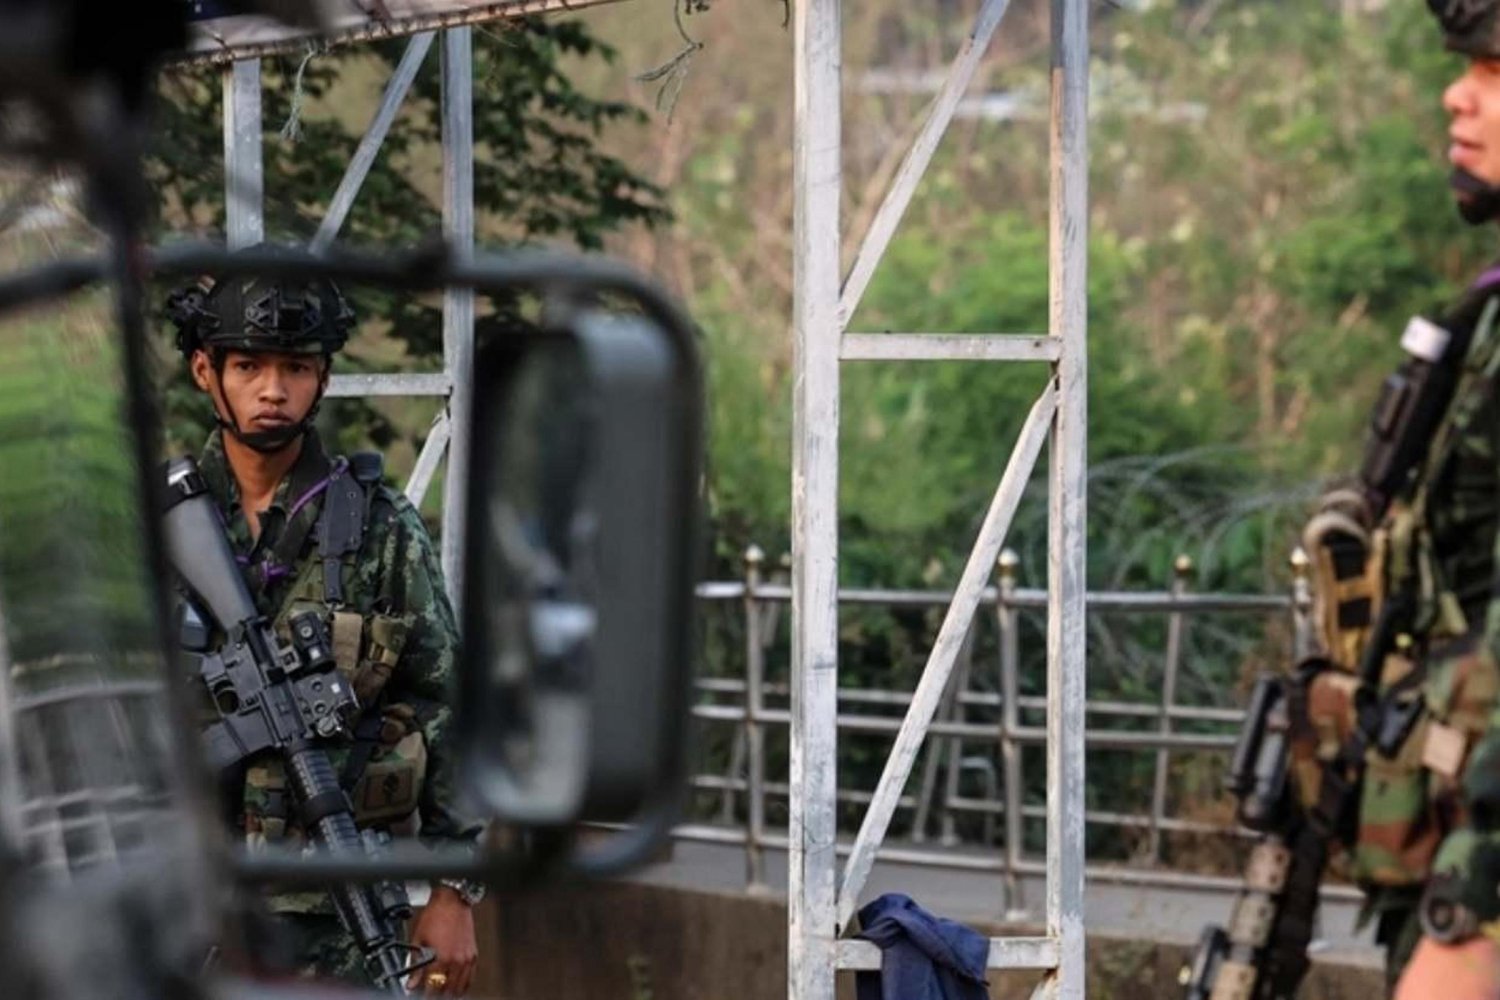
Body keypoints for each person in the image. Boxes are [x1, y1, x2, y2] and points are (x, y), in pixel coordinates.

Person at [165, 264, 484, 996]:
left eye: (296, 368)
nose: (272, 389)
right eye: (247, 365)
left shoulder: (378, 527)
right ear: (204, 370)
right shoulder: (150, 529)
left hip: (334, 916)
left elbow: (448, 705)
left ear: (323, 377)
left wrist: (451, 890)